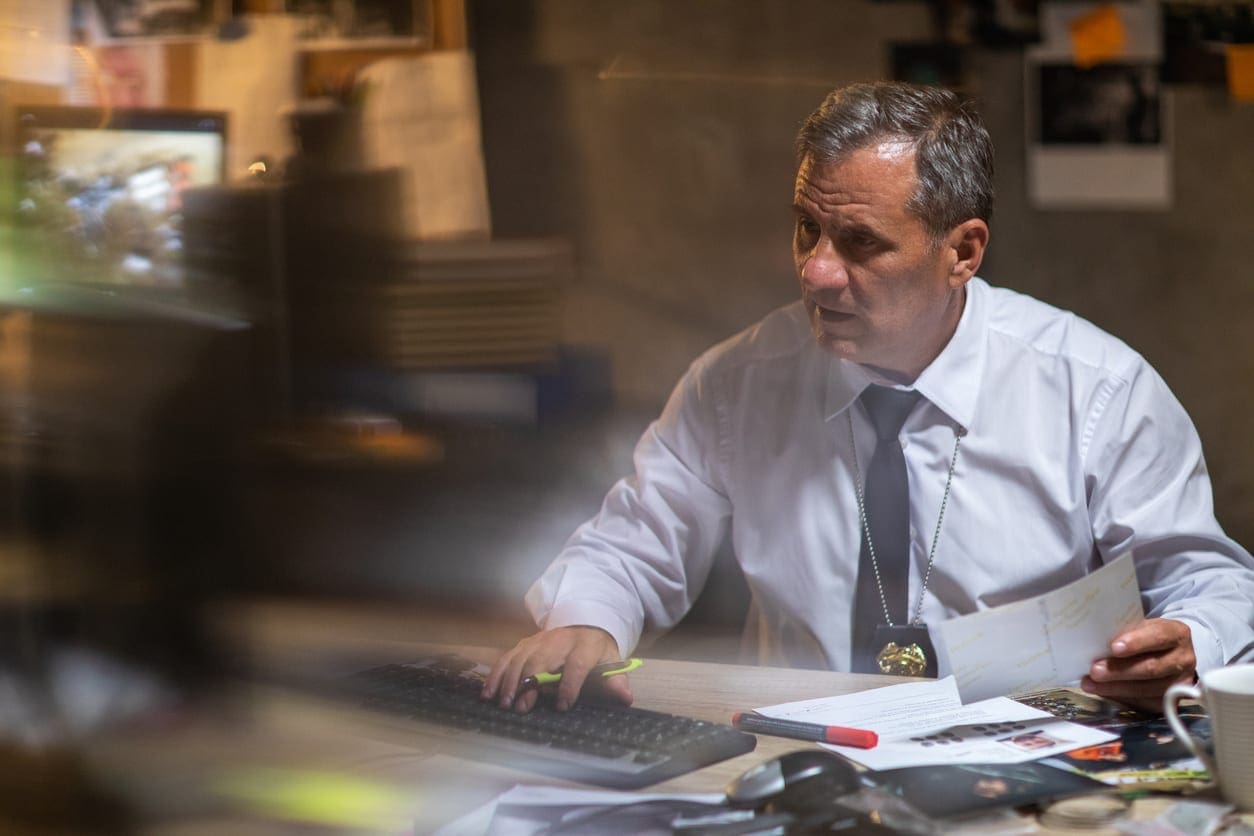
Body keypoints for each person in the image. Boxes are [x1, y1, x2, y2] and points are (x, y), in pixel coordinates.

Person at [482, 81, 1254, 714]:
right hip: (801, 756)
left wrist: (1192, 634)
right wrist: (587, 621)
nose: (816, 272)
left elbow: (1210, 582)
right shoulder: (738, 383)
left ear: (963, 252)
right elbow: (633, 544)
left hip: (1031, 757)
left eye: (860, 242)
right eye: (806, 229)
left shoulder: (1097, 391)